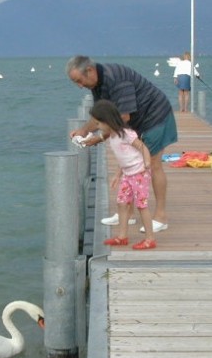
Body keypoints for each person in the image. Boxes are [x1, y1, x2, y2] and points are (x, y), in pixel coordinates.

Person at [66, 55, 176, 233]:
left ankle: (161, 217)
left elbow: (123, 117)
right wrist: (84, 131)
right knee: (129, 167)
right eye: (75, 83)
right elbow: (101, 113)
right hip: (136, 124)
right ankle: (128, 214)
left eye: (80, 81)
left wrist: (100, 137)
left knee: (154, 164)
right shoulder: (96, 84)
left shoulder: (116, 79)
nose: (80, 86)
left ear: (90, 70)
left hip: (156, 116)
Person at [88, 100, 156, 250]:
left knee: (141, 205)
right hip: (127, 173)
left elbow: (142, 147)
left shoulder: (126, 134)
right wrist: (117, 175)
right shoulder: (112, 137)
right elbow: (123, 158)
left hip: (139, 173)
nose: (98, 127)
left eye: (99, 123)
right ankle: (122, 236)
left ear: (108, 121)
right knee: (121, 202)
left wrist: (147, 163)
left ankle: (150, 239)